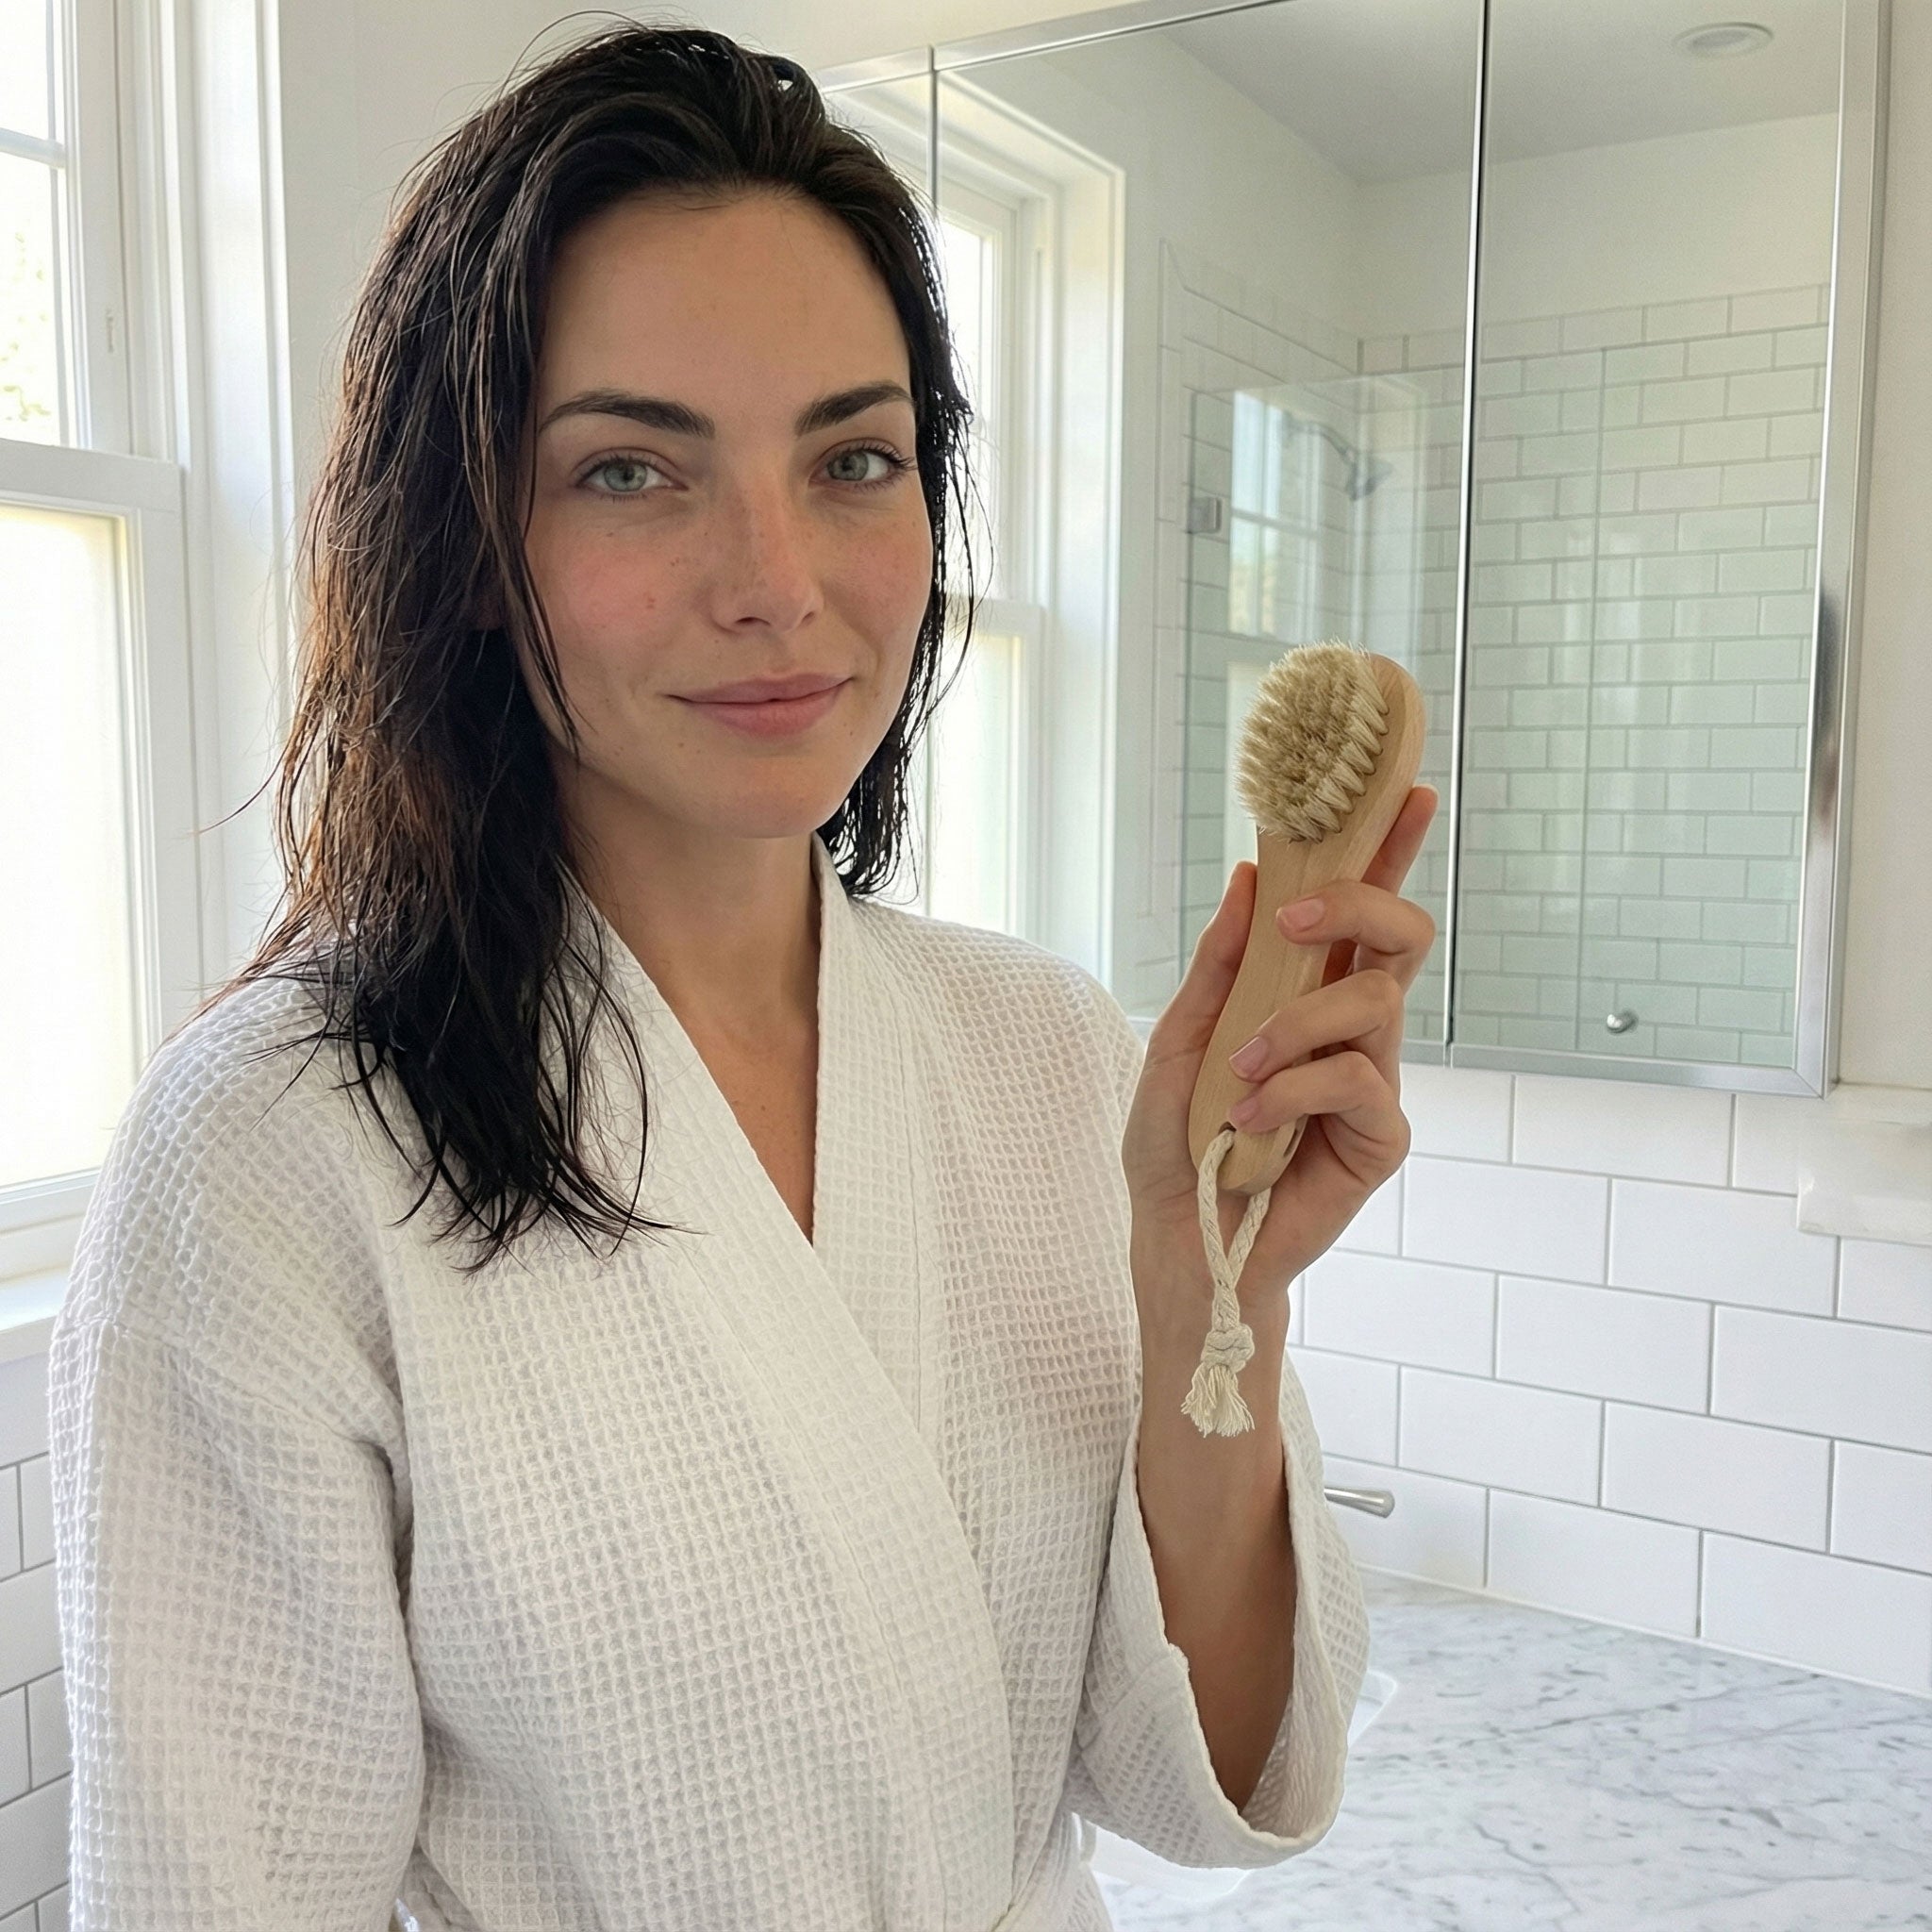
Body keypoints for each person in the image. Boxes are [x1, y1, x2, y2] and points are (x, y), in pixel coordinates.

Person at [47, 22, 1438, 1930]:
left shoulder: (1039, 1050)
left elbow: (1187, 1789)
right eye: (632, 472)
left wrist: (1223, 1312)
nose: (779, 578)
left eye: (853, 456)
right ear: (467, 545)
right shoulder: (272, 1163)